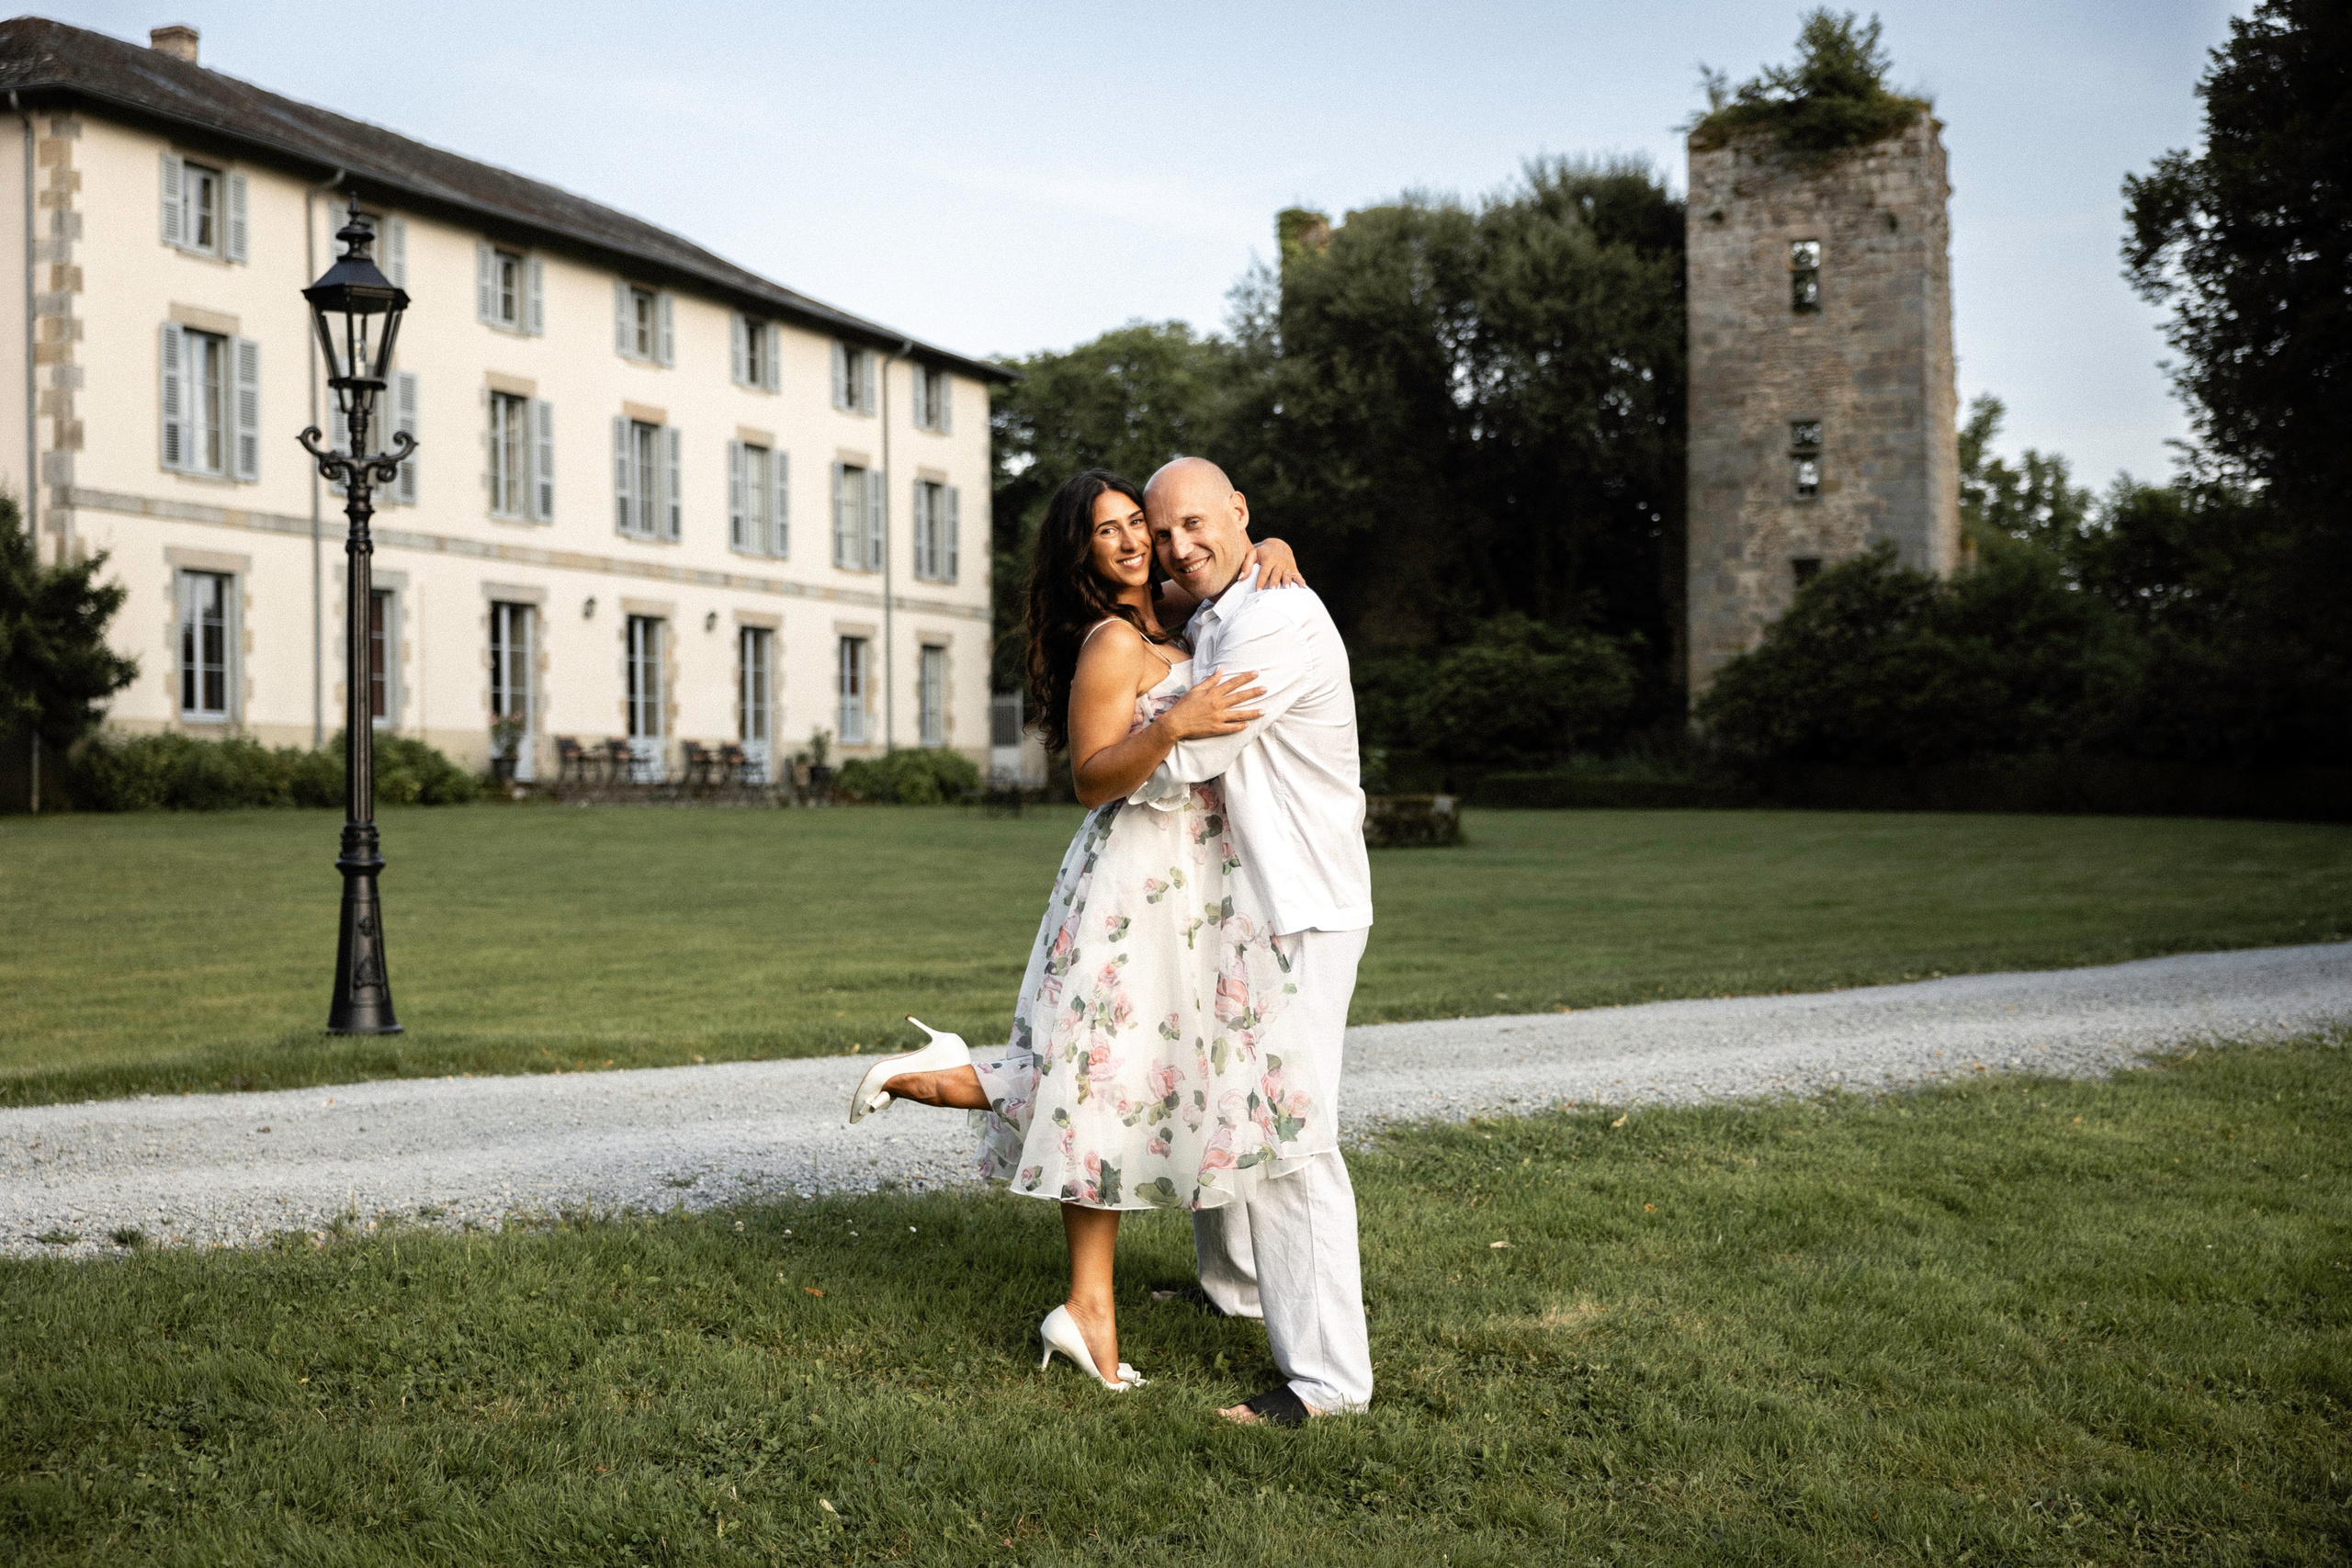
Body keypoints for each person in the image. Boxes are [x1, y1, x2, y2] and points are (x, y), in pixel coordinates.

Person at [845, 467, 1315, 1397]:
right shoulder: (1111, 641)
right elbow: (1093, 778)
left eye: (1137, 523)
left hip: (1191, 884)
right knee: (1101, 1073)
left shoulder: (1170, 618)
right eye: (1109, 532)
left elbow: (1227, 565)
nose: (1136, 541)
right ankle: (934, 1085)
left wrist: (1273, 548)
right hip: (1135, 879)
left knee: (1122, 1079)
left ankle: (1088, 1308)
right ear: (1085, 556)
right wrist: (1174, 722)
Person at [1130, 456, 1374, 1427]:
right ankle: (1231, 1286)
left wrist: (1122, 724)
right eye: (1161, 534)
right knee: (1223, 1102)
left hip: (1300, 907)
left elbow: (1184, 757)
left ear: (1237, 512)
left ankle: (1328, 1384)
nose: (1179, 546)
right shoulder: (1225, 606)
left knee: (1291, 1139)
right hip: (1244, 907)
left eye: (1197, 524)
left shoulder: (1277, 618)